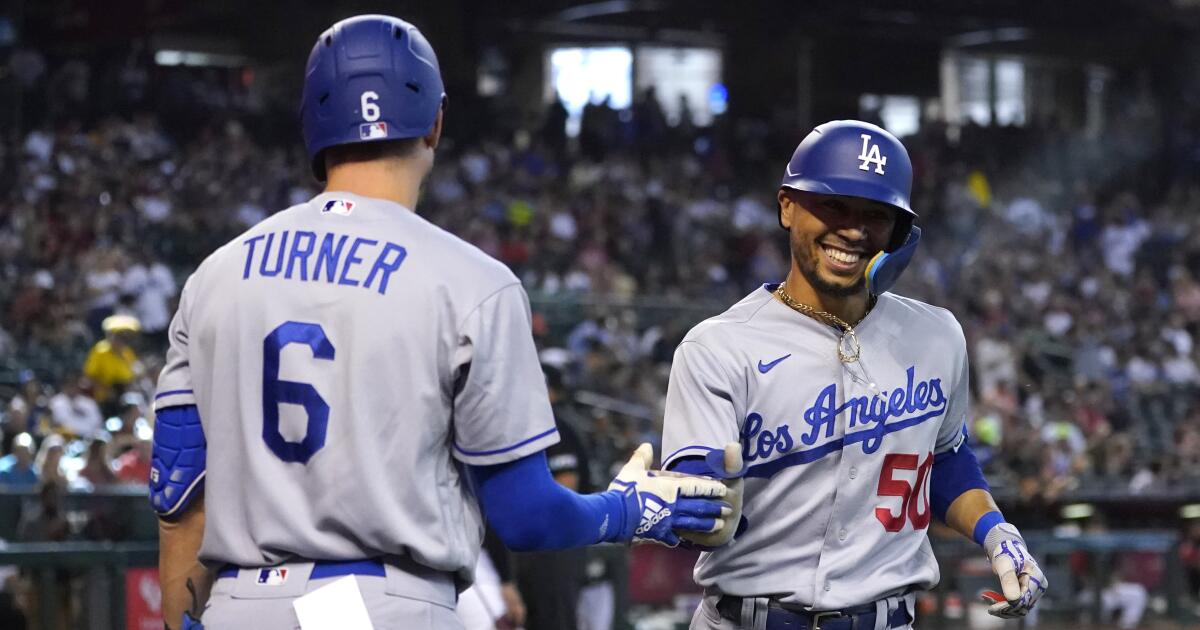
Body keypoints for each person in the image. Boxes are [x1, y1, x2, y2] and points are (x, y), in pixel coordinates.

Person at [149, 15, 731, 630]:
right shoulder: (471, 281)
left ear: (312, 127)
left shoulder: (214, 277)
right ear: (435, 122)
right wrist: (626, 510)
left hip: (238, 606)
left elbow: (179, 493)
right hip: (384, 604)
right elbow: (525, 517)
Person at [661, 120, 1047, 629]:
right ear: (786, 205)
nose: (852, 229)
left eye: (875, 215)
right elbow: (696, 496)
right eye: (833, 205)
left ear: (900, 232)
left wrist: (998, 533)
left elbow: (945, 457)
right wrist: (686, 505)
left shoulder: (938, 337)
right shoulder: (718, 346)